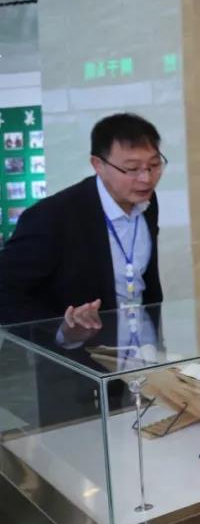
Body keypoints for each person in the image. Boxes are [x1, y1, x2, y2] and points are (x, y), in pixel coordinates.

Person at [0, 113, 166, 422]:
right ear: (97, 164)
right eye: (132, 169)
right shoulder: (52, 217)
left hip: (140, 364)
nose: (146, 178)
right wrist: (63, 329)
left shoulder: (147, 203)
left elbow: (143, 281)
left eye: (154, 165)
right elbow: (6, 293)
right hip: (75, 377)